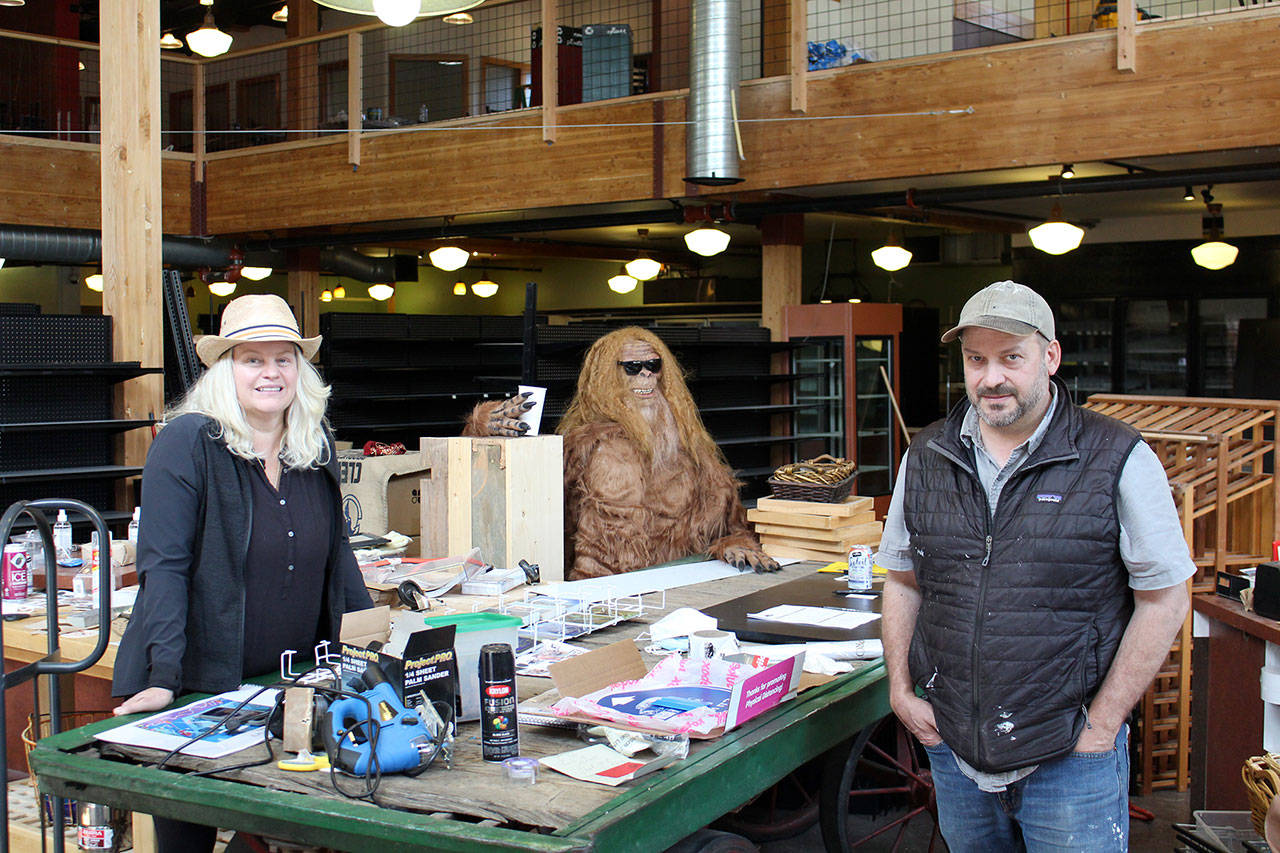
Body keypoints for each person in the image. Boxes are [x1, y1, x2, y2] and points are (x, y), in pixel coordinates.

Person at [877, 280, 1193, 852]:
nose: (990, 377)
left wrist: (1102, 723)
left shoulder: (1116, 455)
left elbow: (1166, 597)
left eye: (1010, 358)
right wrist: (901, 689)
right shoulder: (927, 455)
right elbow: (902, 580)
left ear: (1050, 357)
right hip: (954, 749)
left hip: (1069, 754)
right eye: (977, 359)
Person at [111, 294, 373, 852]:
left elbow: (339, 559)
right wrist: (163, 678)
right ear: (224, 367)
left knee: (285, 828)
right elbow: (165, 568)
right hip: (194, 682)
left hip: (287, 684)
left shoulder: (313, 443)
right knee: (188, 840)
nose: (271, 373)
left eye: (284, 358)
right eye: (252, 358)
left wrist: (371, 653)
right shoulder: (189, 443)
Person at [466, 326, 777, 579]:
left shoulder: (691, 450)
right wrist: (484, 424)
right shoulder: (585, 445)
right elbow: (516, 490)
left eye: (654, 366)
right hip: (596, 589)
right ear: (608, 378)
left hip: (675, 582)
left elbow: (730, 522)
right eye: (633, 367)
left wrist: (734, 542)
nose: (646, 376)